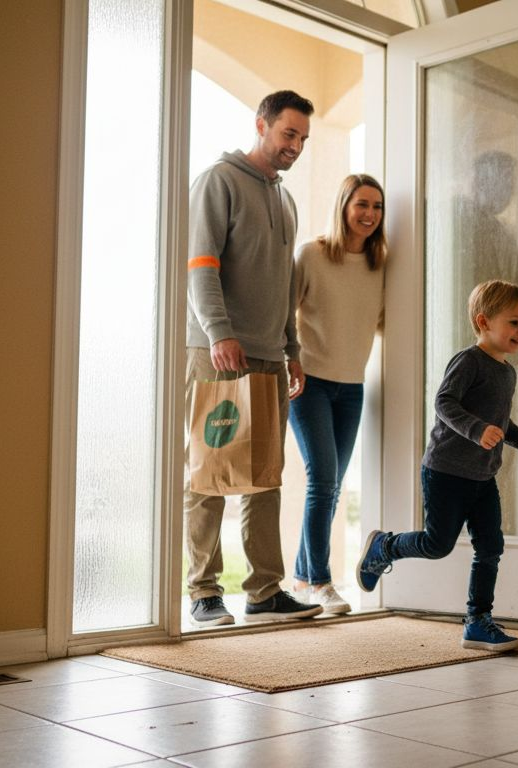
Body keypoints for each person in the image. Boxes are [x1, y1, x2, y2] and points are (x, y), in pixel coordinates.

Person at [355, 280, 518, 651]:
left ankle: (477, 621)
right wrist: (477, 430)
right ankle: (384, 547)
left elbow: (503, 423)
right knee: (437, 544)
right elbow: (444, 403)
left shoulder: (507, 372)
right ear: (484, 321)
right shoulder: (469, 361)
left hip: (483, 476)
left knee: (491, 546)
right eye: (514, 322)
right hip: (446, 471)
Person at [184, 90, 321, 626]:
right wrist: (219, 333)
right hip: (219, 352)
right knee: (210, 472)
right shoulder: (219, 181)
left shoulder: (285, 199)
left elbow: (286, 285)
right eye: (289, 134)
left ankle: (264, 592)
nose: (296, 146)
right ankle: (202, 591)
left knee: (265, 475)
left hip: (268, 353)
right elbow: (201, 264)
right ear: (261, 125)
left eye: (303, 139)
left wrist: (292, 349)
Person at [288, 174, 388, 615]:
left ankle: (302, 576)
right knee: (322, 480)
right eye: (361, 204)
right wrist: (288, 359)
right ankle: (322, 584)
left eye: (377, 207)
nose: (369, 214)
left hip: (353, 386)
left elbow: (381, 319)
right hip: (308, 382)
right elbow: (283, 312)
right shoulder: (311, 255)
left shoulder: (380, 265)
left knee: (331, 488)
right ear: (344, 205)